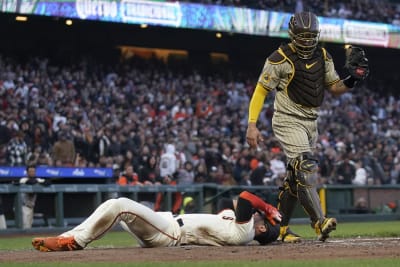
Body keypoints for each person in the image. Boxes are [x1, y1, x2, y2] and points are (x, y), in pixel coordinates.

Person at [245, 11, 369, 243]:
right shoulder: (279, 58)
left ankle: (280, 228)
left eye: (311, 36)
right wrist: (252, 124)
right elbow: (261, 91)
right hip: (287, 118)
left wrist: (353, 79)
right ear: (293, 35)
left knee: (295, 178)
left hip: (311, 121)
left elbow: (334, 87)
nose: (307, 40)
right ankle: (319, 221)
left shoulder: (323, 55)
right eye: (303, 36)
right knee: (306, 165)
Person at [31, 191, 281, 251]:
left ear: (260, 227)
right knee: (112, 205)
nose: (259, 214)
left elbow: (245, 198)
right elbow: (237, 205)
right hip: (167, 224)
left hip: (170, 233)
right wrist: (281, 230)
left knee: (120, 205)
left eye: (262, 218)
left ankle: (76, 242)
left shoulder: (246, 231)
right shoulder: (242, 226)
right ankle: (68, 238)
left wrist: (268, 208)